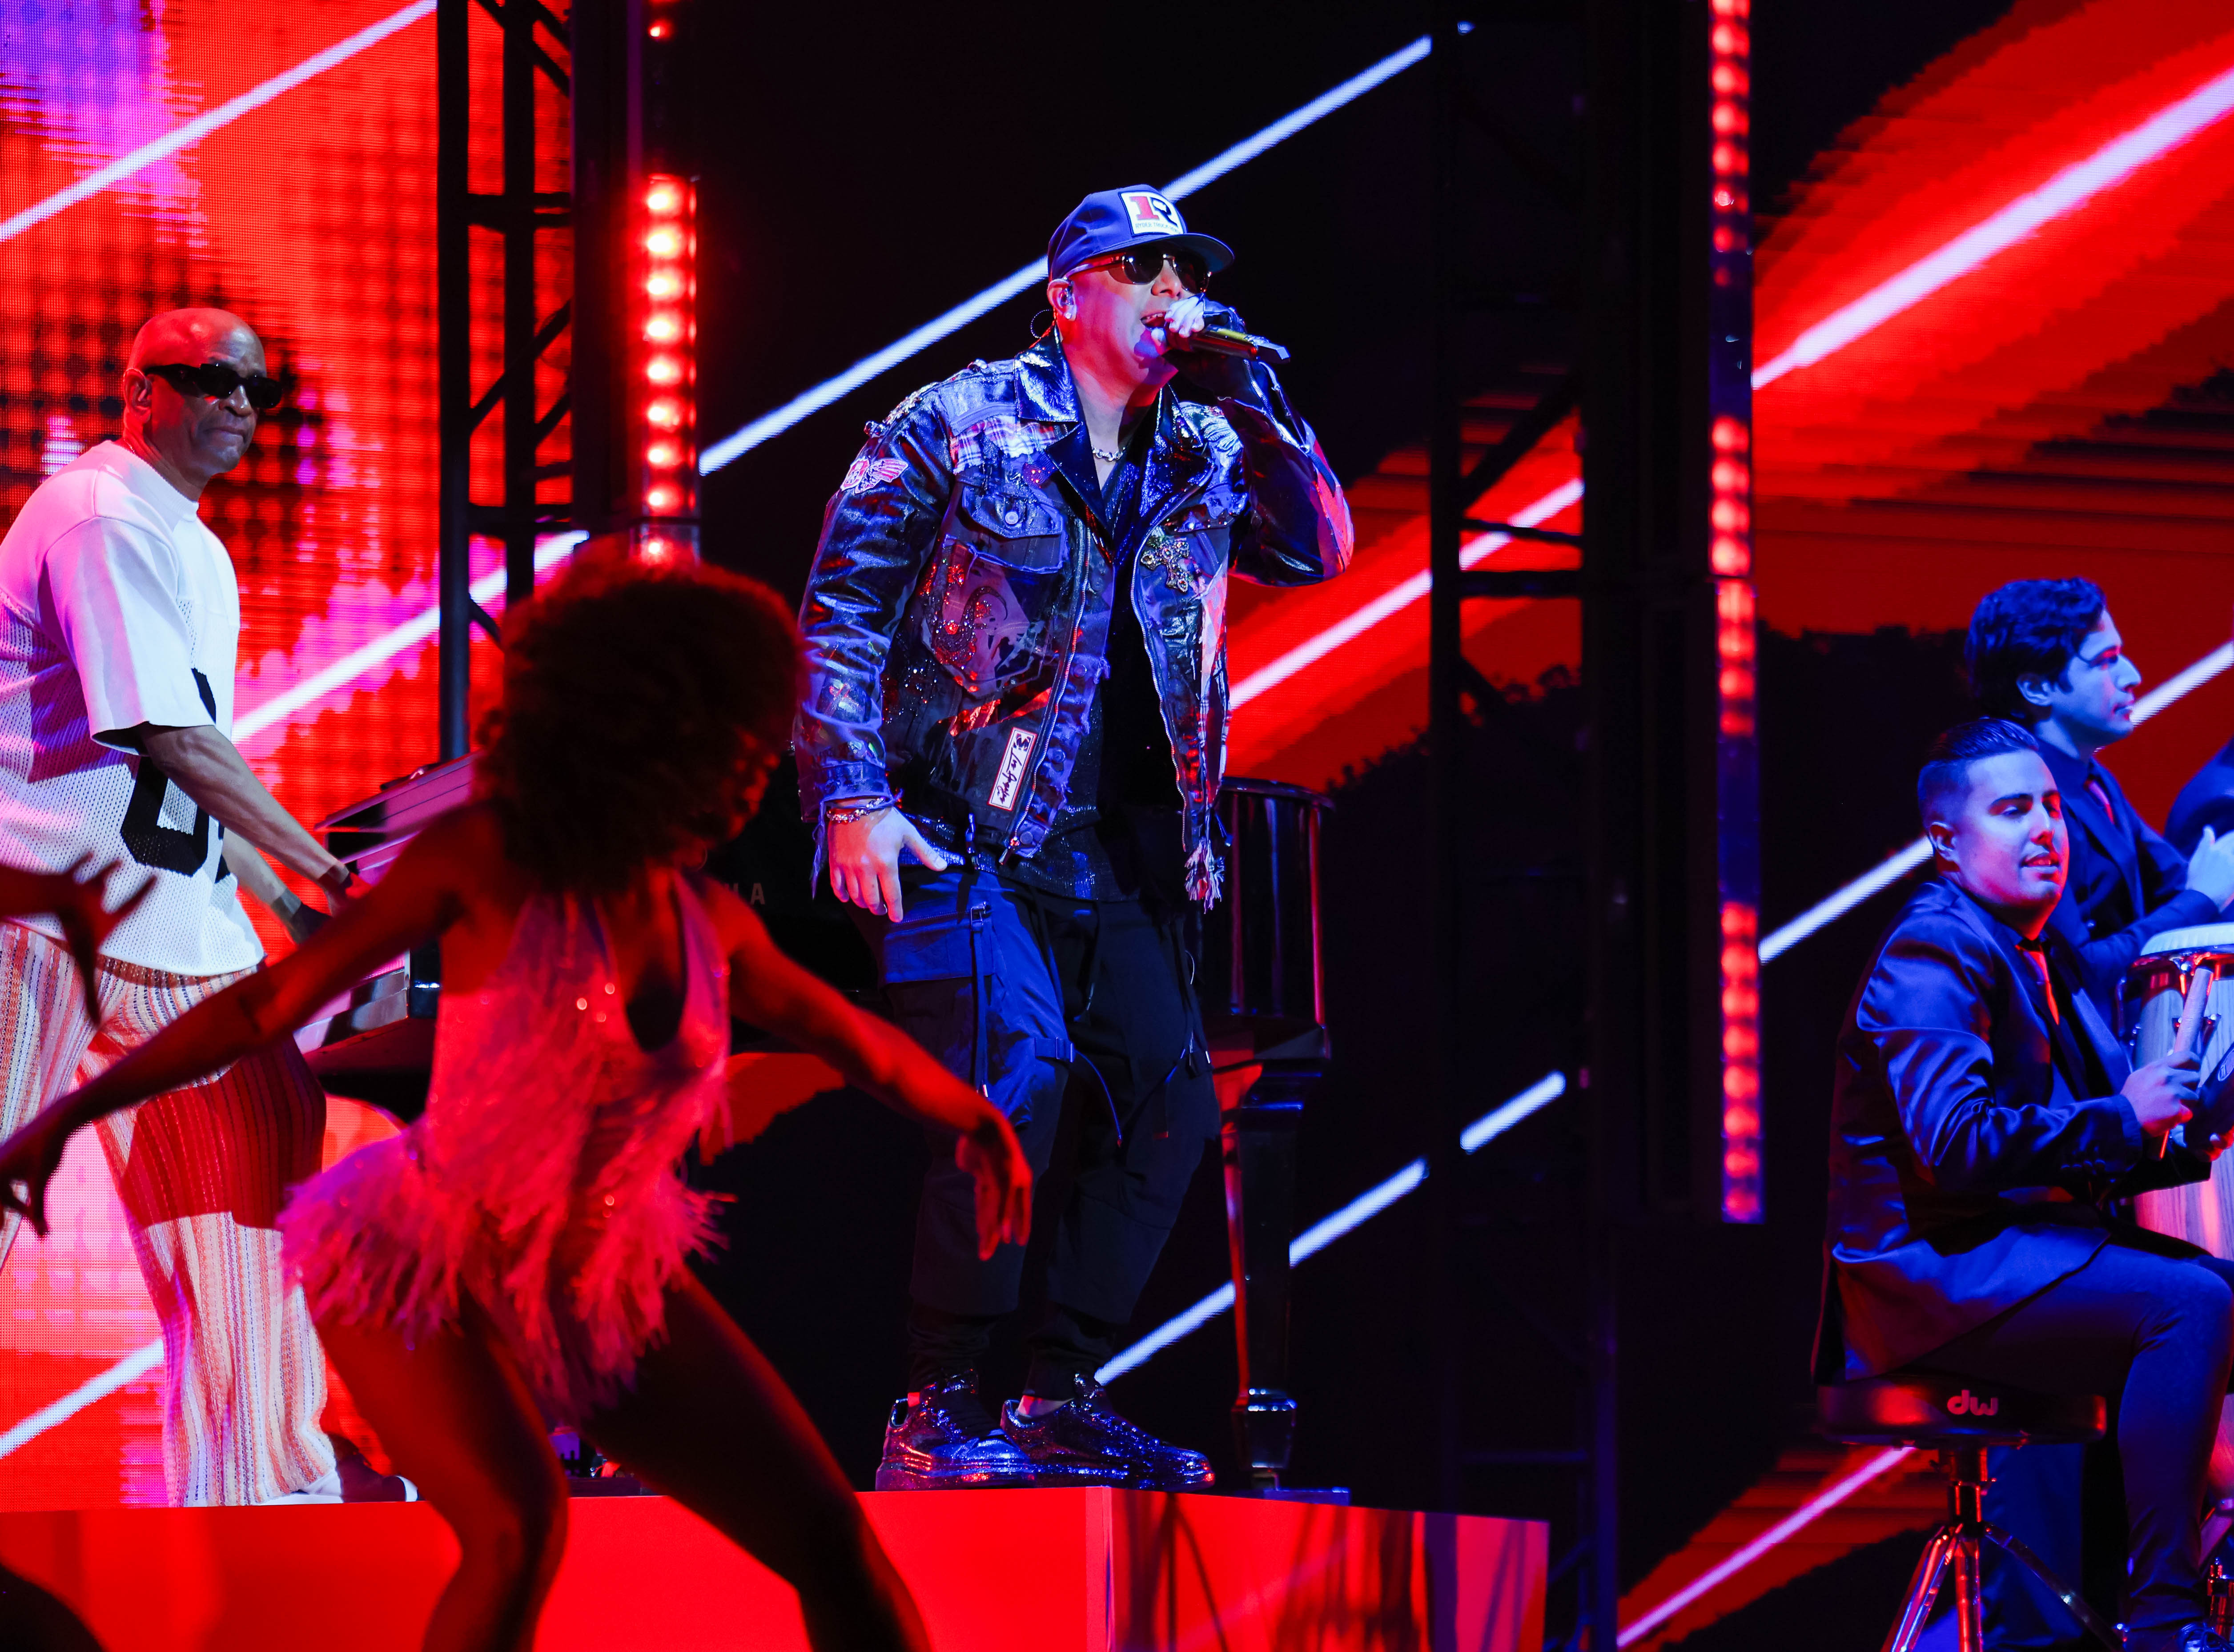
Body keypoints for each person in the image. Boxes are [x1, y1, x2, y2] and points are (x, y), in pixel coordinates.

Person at [0, 556, 1033, 1652]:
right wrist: (67, 1115)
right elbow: (264, 1007)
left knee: (830, 1538)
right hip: (425, 1258)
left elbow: (851, 1035)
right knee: (518, 1527)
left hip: (597, 1272)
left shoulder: (709, 918)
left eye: (757, 752)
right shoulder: (485, 857)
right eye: (729, 750)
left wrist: (977, 1118)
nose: (750, 780)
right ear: (645, 734)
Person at [794, 184, 1353, 1490]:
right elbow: (840, 614)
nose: (1174, 295)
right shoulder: (956, 423)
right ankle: (935, 1399)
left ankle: (1056, 1394)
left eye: (1187, 274)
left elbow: (1319, 551)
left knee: (1165, 1099)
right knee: (1018, 1071)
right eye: (1144, 271)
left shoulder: (1211, 443)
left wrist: (1263, 399)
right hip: (963, 829)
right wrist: (850, 797)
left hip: (1138, 854)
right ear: (1070, 294)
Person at [0, 308, 385, 1505]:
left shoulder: (190, 541)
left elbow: (188, 770)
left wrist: (298, 910)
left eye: (256, 390)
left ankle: (263, 1523)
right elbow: (161, 729)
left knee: (257, 1228)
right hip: (35, 915)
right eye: (209, 380)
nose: (235, 404)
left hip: (171, 926)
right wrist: (322, 875)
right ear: (138, 389)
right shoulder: (99, 511)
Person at [1817, 717, 2234, 1652]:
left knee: (2221, 1293)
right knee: (2188, 1307)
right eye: (2012, 811)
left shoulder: (2030, 949)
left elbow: (2099, 1133)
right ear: (1945, 841)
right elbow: (1956, 1145)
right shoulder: (1932, 949)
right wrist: (2125, 1116)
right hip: (1923, 1278)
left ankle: (2203, 1578)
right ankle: (2166, 1617)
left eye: (2050, 805)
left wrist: (2188, 1117)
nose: (2047, 827)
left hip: (1993, 1255)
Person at [1967, 579, 2234, 1018]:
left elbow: (2178, 881)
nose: (2132, 676)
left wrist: (2205, 892)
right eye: (2106, 661)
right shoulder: (2020, 809)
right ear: (2036, 688)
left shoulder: (2093, 779)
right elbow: (2080, 972)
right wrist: (2203, 897)